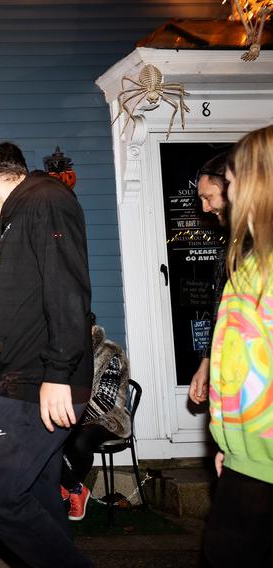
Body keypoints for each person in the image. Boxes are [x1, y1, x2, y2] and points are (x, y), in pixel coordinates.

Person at [0, 142, 93, 567]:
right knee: (38, 495)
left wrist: (57, 373)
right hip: (23, 382)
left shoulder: (46, 201)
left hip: (36, 383)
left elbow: (67, 289)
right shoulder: (21, 216)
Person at [204, 125, 273, 566]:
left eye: (230, 181)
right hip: (244, 459)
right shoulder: (251, 264)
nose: (226, 194)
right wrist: (229, 445)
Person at [60, 313, 131, 521]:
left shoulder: (110, 352)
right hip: (73, 415)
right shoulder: (67, 354)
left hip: (108, 417)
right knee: (44, 438)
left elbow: (105, 401)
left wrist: (70, 420)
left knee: (80, 440)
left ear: (92, 329)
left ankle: (69, 489)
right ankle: (74, 488)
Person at [189, 151, 230, 405]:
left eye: (208, 197)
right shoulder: (230, 247)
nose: (205, 207)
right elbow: (220, 310)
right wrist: (206, 363)